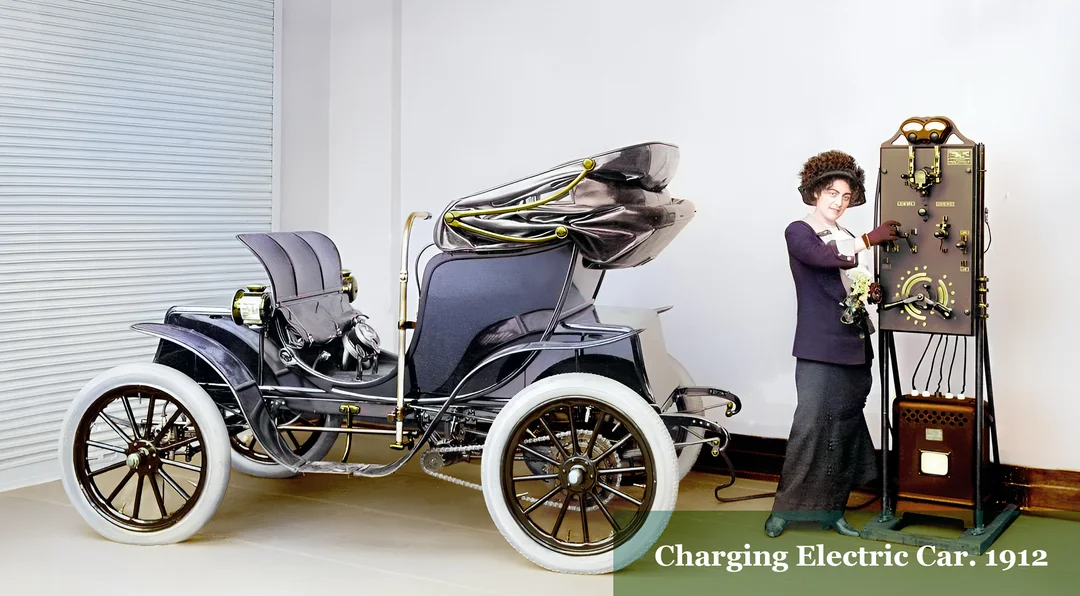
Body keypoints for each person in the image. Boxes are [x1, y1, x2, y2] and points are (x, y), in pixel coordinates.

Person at [765, 150, 899, 538]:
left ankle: (833, 511)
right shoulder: (799, 231)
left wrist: (872, 291)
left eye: (845, 196)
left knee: (844, 428)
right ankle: (783, 511)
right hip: (819, 347)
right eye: (831, 193)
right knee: (809, 428)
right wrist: (868, 240)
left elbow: (856, 281)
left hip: (854, 345)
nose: (839, 202)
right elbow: (821, 258)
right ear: (814, 193)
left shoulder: (846, 236)